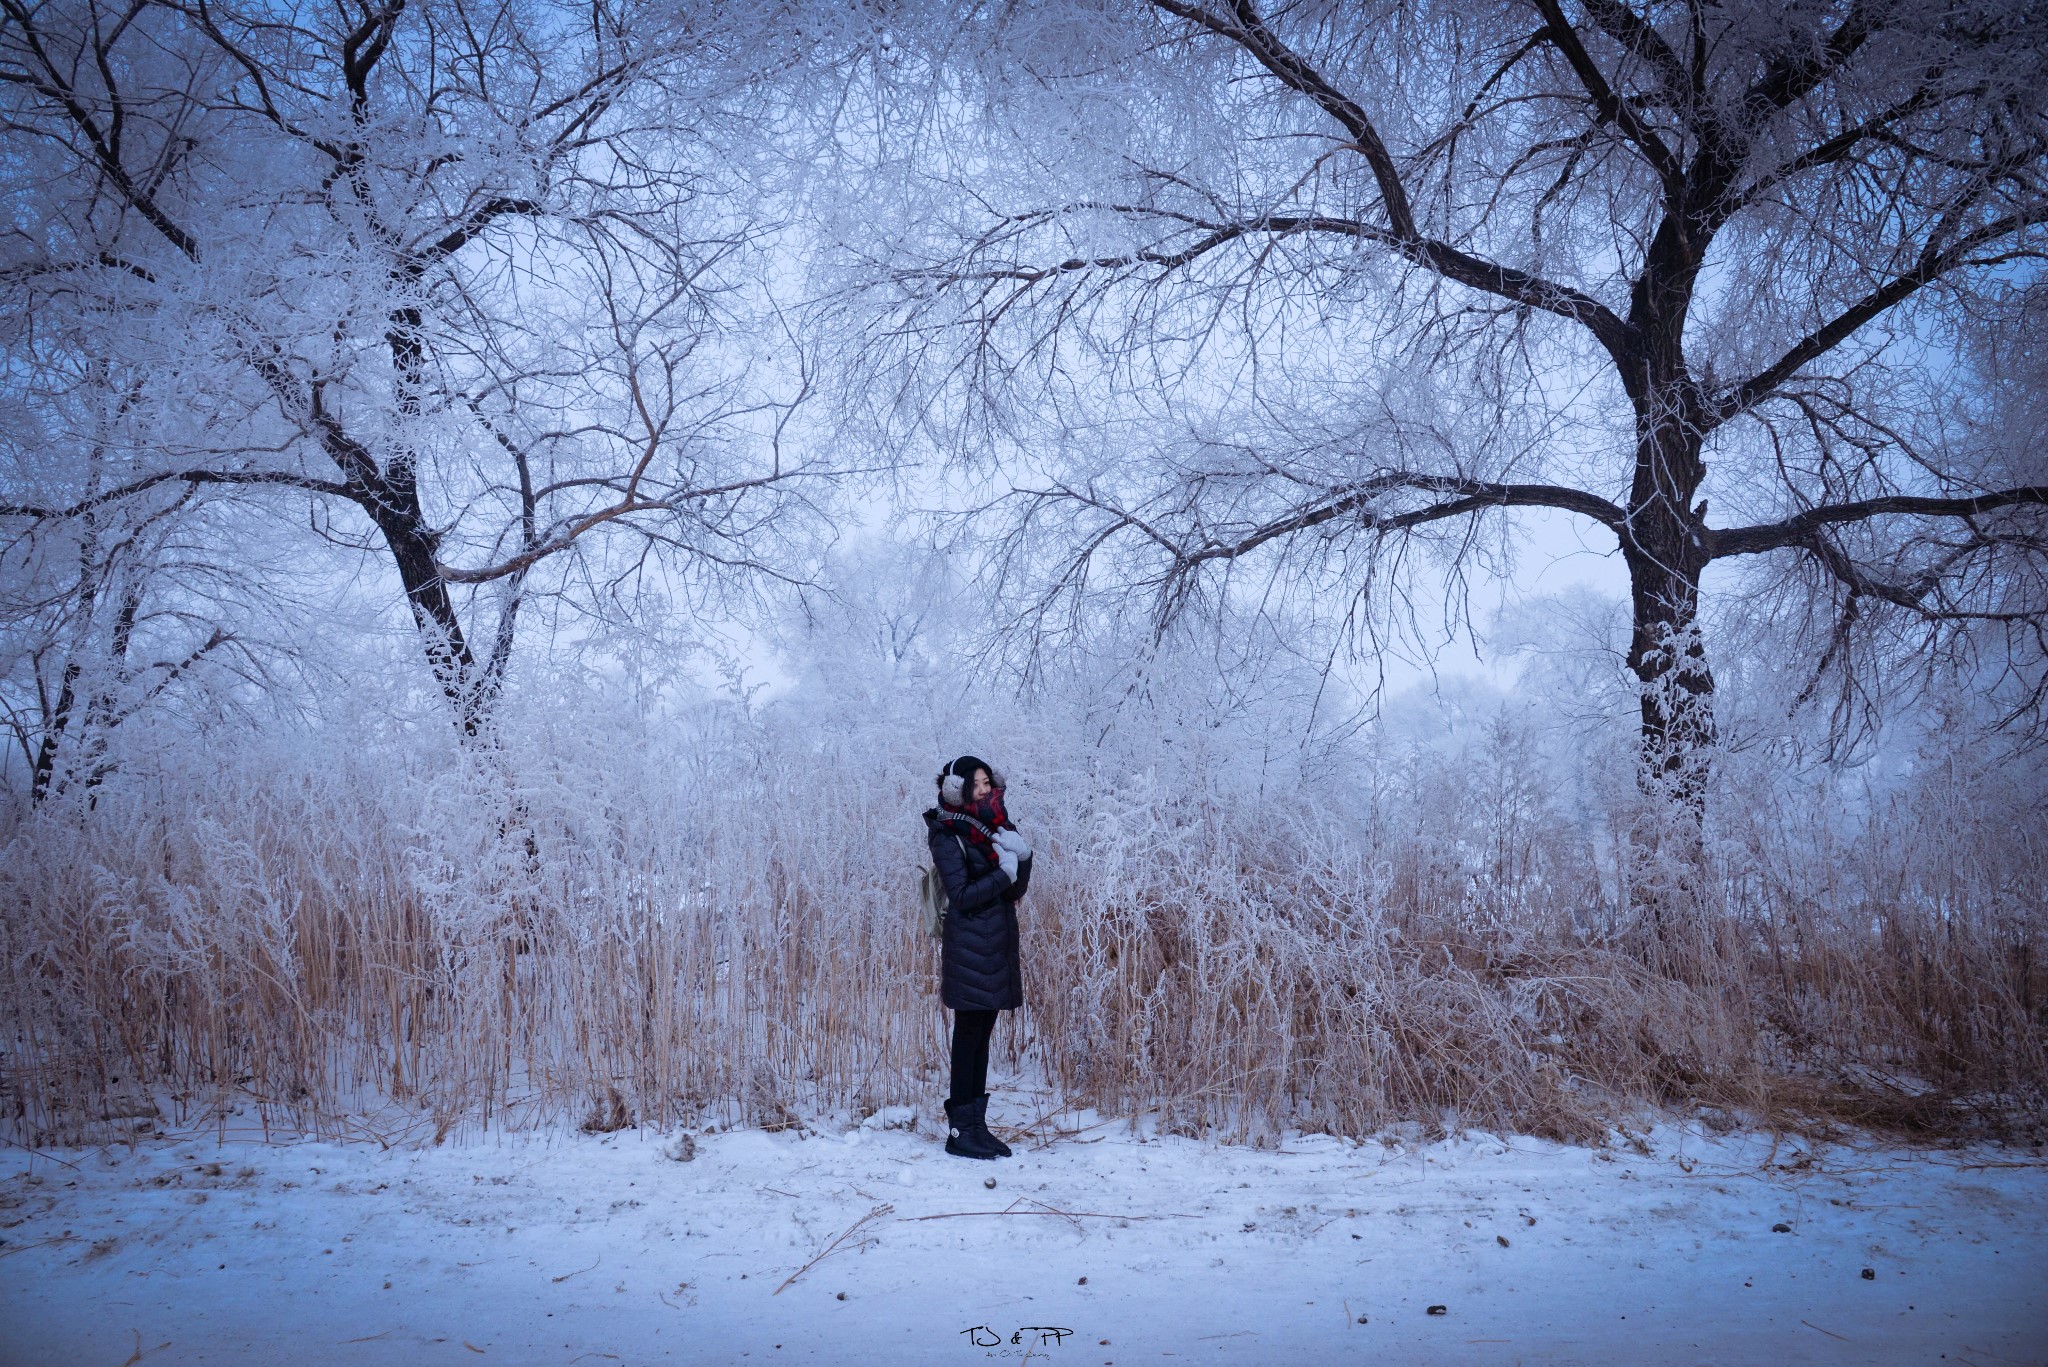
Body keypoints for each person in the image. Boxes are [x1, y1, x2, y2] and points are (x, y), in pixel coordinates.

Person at [923, 755, 1032, 1160]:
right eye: (978, 783)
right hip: (970, 948)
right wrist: (1003, 873)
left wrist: (1023, 858)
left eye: (989, 781)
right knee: (968, 1038)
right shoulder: (947, 833)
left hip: (996, 944)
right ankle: (959, 1132)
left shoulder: (994, 826)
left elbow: (1014, 892)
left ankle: (975, 1127)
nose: (986, 789)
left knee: (981, 1036)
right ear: (959, 788)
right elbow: (964, 896)